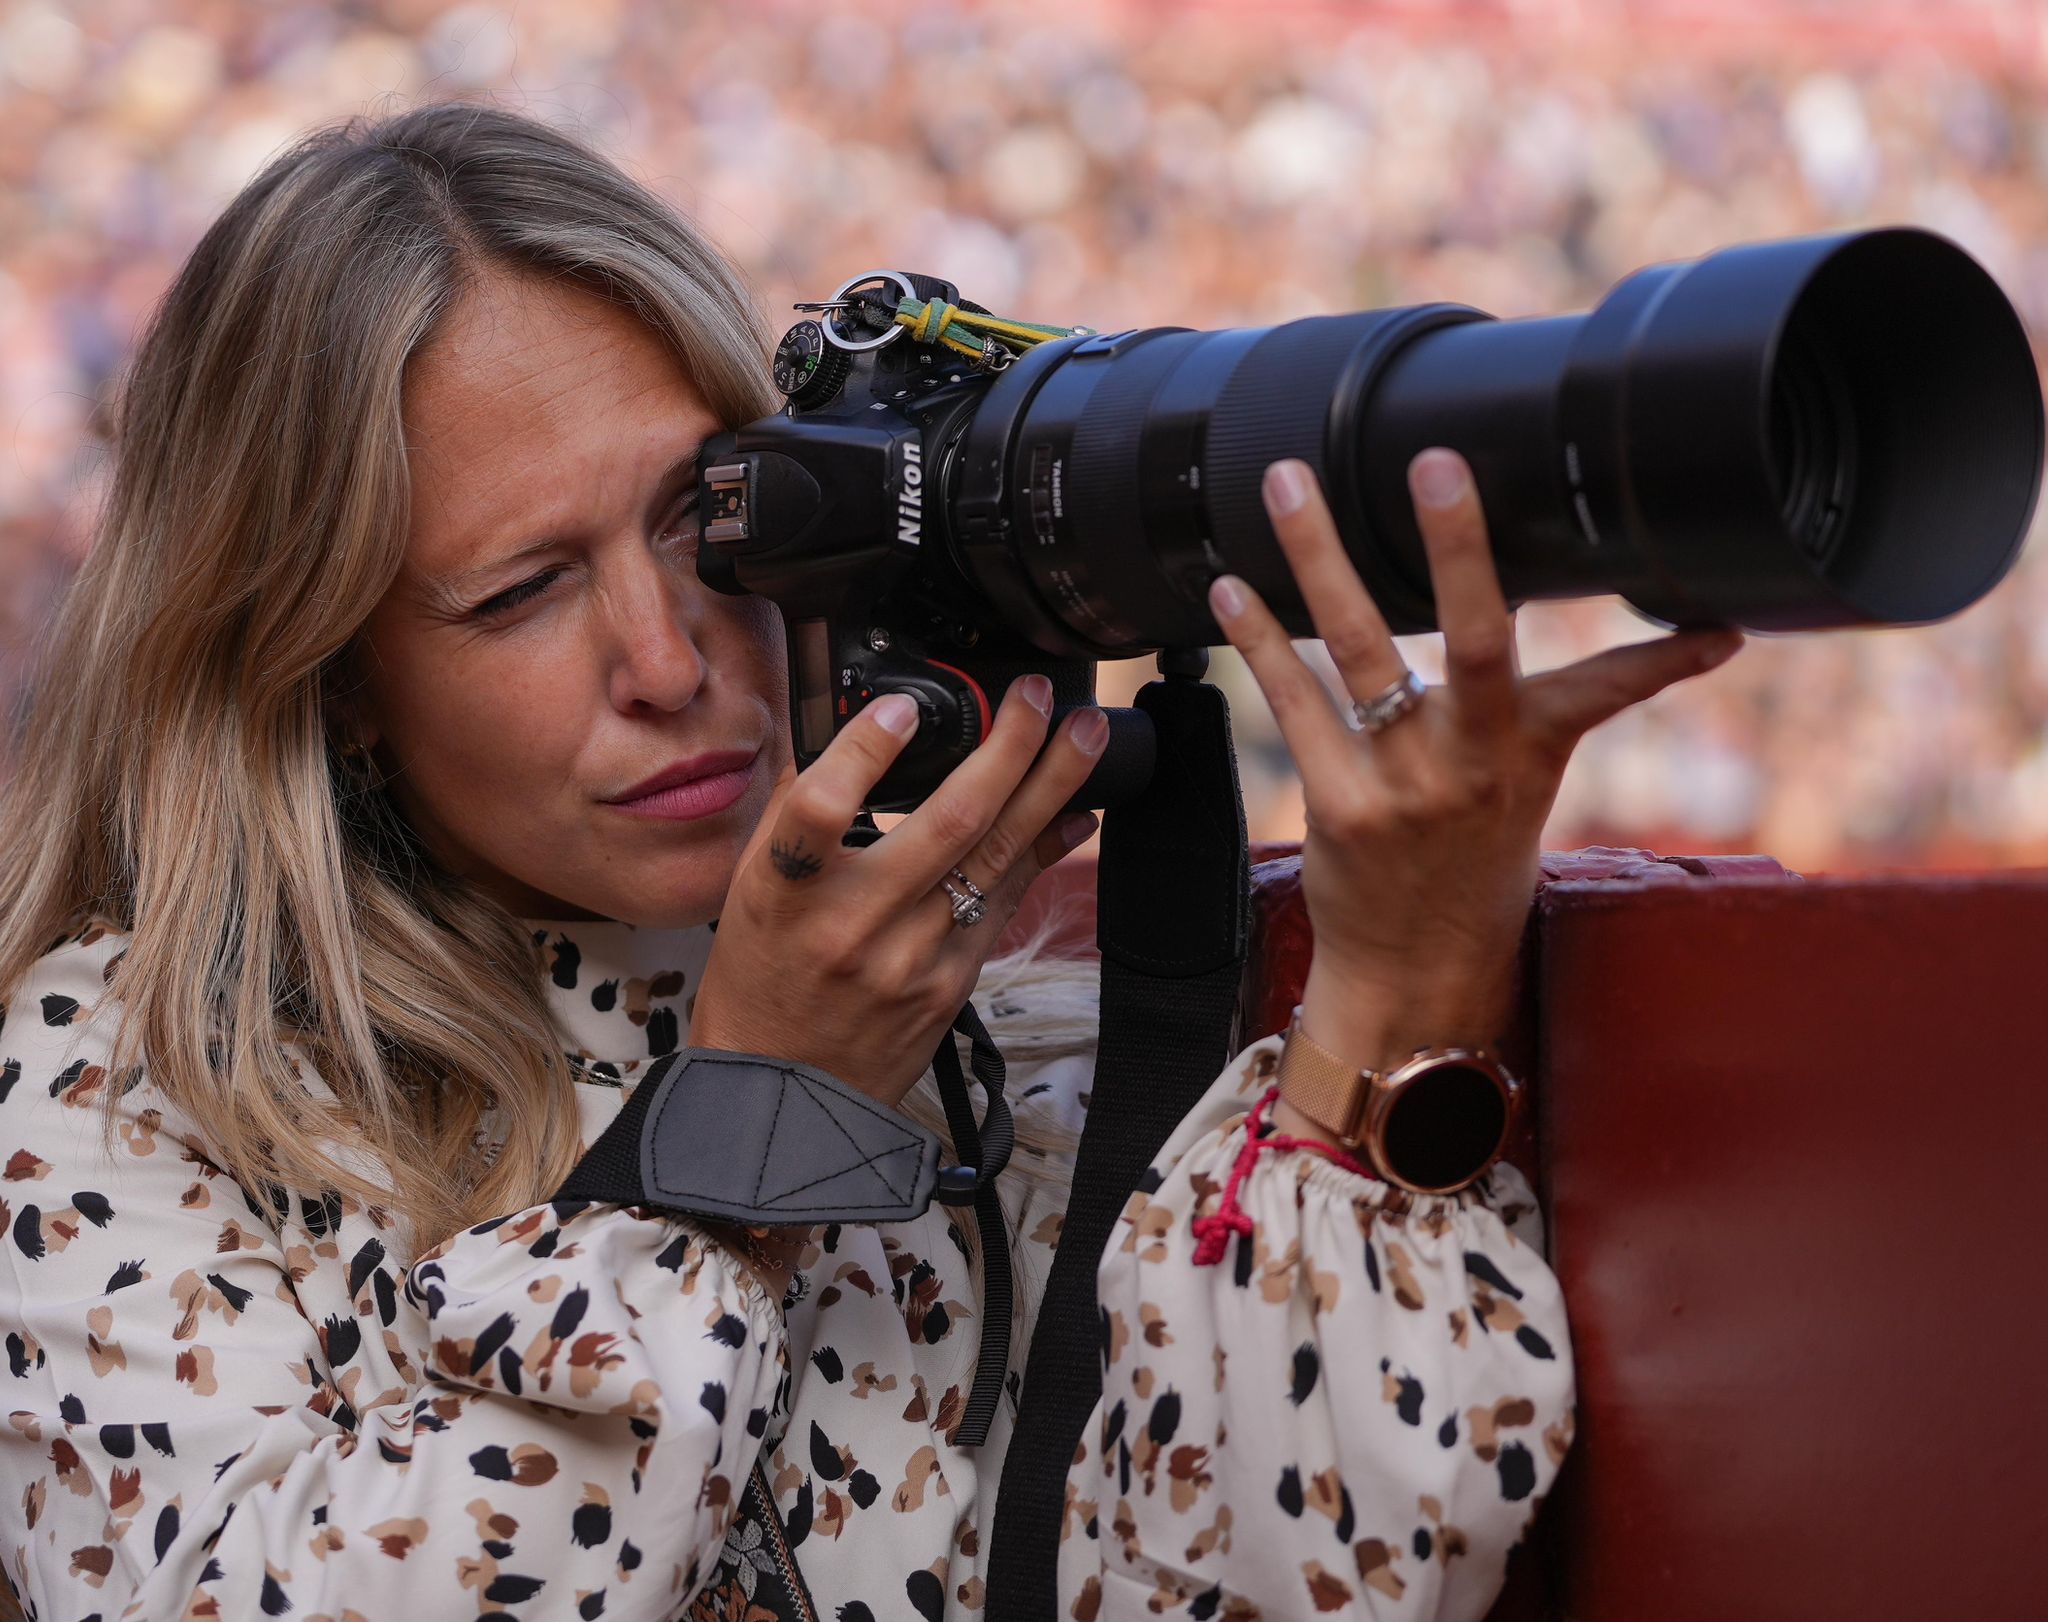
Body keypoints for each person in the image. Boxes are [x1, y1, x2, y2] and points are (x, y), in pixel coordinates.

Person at [0, 104, 1740, 1621]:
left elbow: (1280, 1587)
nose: (669, 658)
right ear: (330, 674)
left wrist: (1398, 982)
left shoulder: (962, 994)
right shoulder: (130, 1078)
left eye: (707, 515)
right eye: (520, 590)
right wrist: (751, 1130)